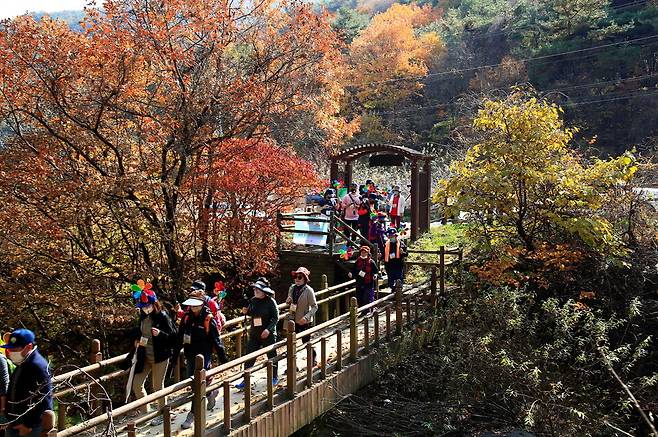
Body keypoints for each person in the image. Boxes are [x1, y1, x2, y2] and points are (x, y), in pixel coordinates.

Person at [177, 296, 229, 429]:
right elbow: (179, 336)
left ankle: (192, 415)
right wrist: (174, 353)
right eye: (191, 305)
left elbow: (217, 341)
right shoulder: (187, 317)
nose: (193, 308)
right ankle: (211, 393)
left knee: (197, 383)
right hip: (190, 354)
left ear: (201, 305)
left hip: (204, 355)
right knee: (193, 384)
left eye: (196, 305)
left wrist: (225, 361)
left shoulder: (208, 319)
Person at [129, 285, 177, 425]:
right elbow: (140, 331)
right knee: (137, 384)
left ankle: (163, 413)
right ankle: (146, 413)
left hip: (160, 356)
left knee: (157, 386)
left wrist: (160, 334)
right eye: (142, 307)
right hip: (145, 355)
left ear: (153, 304)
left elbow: (174, 337)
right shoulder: (143, 316)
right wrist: (137, 340)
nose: (144, 309)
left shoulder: (162, 316)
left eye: (146, 306)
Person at [1, 329, 54, 437]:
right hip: (15, 423)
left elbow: (44, 400)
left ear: (29, 347)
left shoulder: (38, 367)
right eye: (10, 349)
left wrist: (28, 425)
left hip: (30, 428)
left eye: (15, 349)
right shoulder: (23, 362)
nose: (11, 352)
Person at [235, 278, 279, 390]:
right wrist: (246, 311)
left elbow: (275, 318)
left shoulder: (270, 302)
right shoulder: (253, 300)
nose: (255, 290)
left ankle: (274, 376)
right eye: (255, 288)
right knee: (249, 356)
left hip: (267, 334)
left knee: (271, 356)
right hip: (254, 333)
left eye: (258, 289)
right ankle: (246, 379)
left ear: (264, 291)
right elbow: (251, 312)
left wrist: (268, 330)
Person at [286, 267, 318, 365]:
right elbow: (289, 299)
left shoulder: (309, 290)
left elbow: (315, 307)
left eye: (299, 277)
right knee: (291, 343)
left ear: (304, 278)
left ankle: (313, 359)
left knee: (306, 342)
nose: (297, 279)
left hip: (304, 320)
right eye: (295, 276)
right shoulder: (292, 288)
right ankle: (292, 366)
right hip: (292, 319)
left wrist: (306, 317)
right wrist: (288, 299)